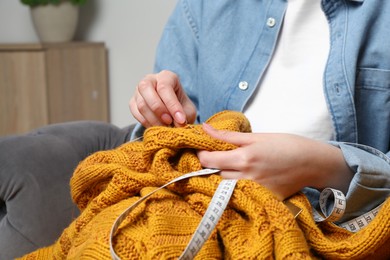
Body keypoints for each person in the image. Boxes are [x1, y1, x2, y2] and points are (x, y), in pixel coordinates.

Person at [129, 0, 390, 222]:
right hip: (203, 210)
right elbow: (163, 152)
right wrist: (171, 119)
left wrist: (324, 166)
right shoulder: (203, 6)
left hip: (334, 227)